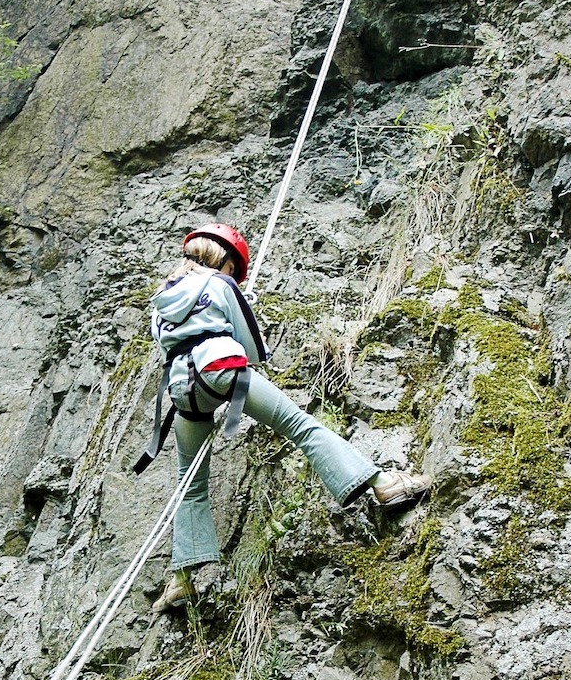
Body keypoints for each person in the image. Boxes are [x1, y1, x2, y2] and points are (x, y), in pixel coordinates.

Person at [139, 223, 431, 613]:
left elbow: (171, 343)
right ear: (226, 261)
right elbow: (254, 349)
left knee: (189, 482)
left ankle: (181, 580)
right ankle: (383, 483)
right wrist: (242, 305)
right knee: (301, 427)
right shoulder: (222, 286)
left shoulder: (162, 301)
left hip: (181, 389)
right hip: (220, 367)